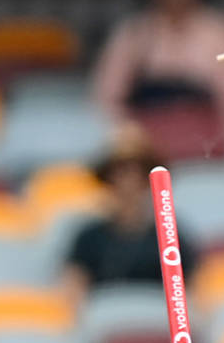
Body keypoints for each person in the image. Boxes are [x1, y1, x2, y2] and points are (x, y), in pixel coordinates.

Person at [92, 0, 224, 158]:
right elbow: (108, 99)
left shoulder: (220, 35)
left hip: (205, 150)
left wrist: (219, 145)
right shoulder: (132, 36)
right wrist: (132, 140)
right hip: (146, 150)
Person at [60, 123, 198, 306]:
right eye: (119, 172)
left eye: (137, 172)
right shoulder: (88, 238)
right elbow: (72, 294)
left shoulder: (170, 236)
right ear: (108, 180)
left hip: (158, 328)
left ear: (147, 181)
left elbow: (191, 296)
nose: (127, 181)